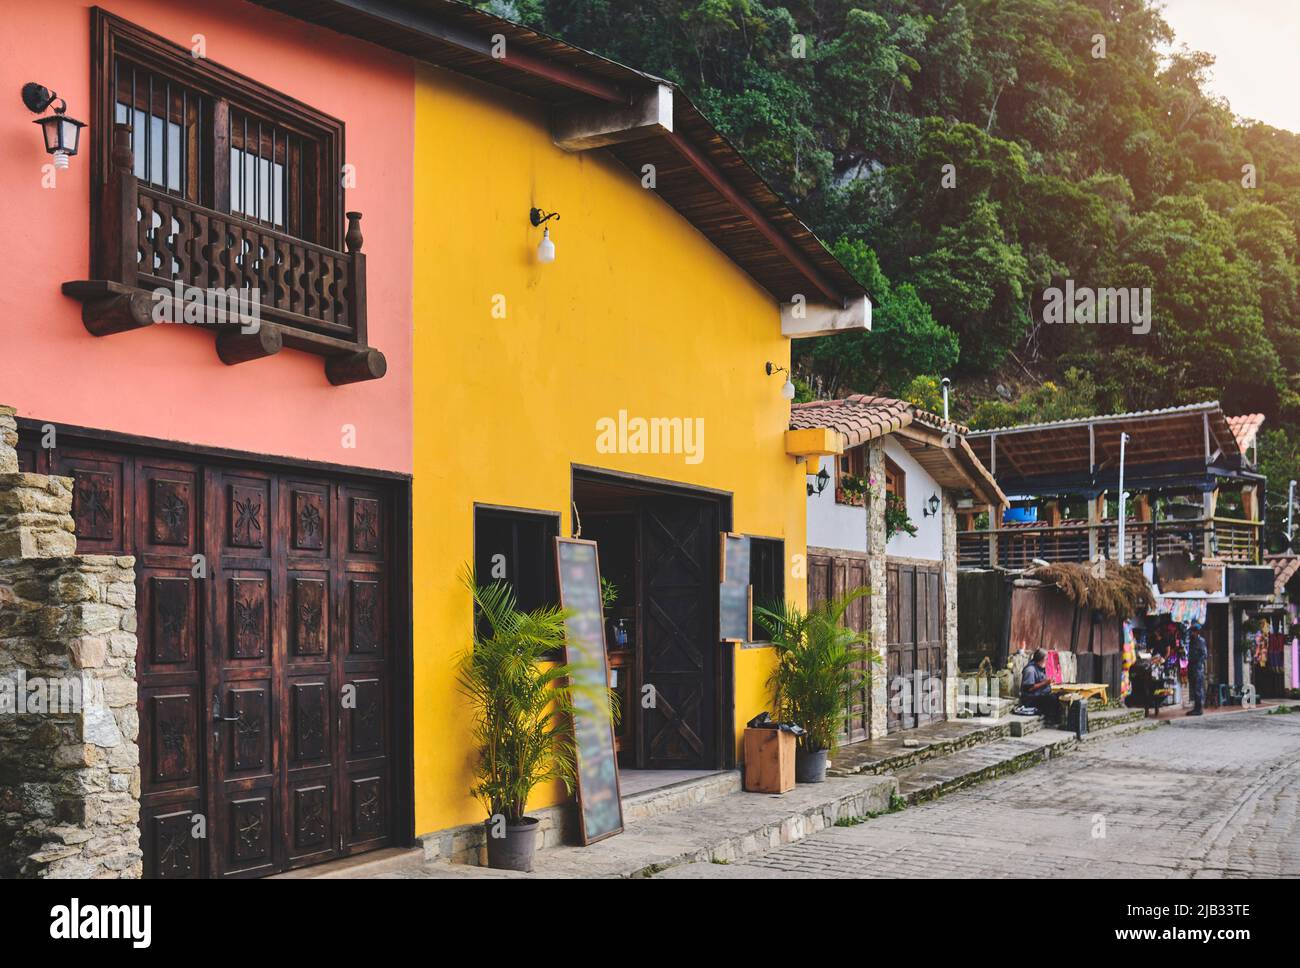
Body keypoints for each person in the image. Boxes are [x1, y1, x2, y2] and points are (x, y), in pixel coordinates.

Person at [1020, 648, 1061, 722]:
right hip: (1031, 699)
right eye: (1046, 659)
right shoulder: (1030, 670)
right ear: (1041, 659)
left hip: (1040, 694)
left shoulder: (1040, 668)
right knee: (1051, 698)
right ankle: (1050, 720)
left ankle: (1056, 719)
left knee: (1059, 695)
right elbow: (1029, 689)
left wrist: (1049, 682)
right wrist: (1045, 683)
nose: (1047, 660)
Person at [1187, 620, 1208, 716]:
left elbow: (1204, 654)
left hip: (1198, 668)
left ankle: (1199, 709)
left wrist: (1198, 662)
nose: (1192, 633)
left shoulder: (1200, 641)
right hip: (1191, 666)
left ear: (1197, 632)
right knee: (1194, 688)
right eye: (1191, 631)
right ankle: (1196, 707)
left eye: (1194, 631)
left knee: (1198, 689)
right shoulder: (1192, 641)